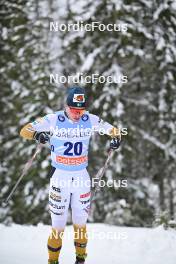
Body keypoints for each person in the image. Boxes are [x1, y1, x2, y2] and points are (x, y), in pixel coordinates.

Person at [20, 86, 121, 264]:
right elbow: (24, 131)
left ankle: (80, 260)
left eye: (81, 110)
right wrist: (37, 135)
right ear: (66, 107)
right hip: (59, 177)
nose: (77, 114)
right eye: (74, 110)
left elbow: (115, 131)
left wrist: (116, 138)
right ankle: (53, 261)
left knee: (80, 226)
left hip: (81, 177)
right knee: (58, 226)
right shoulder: (53, 119)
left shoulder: (90, 119)